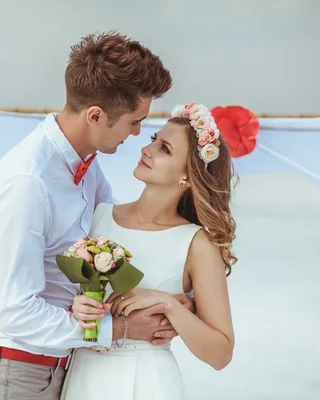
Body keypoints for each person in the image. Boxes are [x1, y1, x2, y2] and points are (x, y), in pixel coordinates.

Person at [0, 32, 190, 400]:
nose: (137, 135)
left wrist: (179, 303)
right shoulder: (28, 183)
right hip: (12, 376)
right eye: (135, 122)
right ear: (96, 116)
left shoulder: (85, 166)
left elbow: (117, 248)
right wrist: (118, 329)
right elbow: (14, 311)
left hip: (63, 368)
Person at [62, 103, 237, 400]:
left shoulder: (197, 245)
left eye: (165, 149)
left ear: (187, 178)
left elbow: (220, 354)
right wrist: (76, 308)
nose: (147, 149)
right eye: (154, 138)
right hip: (83, 375)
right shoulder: (98, 215)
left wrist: (169, 304)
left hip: (147, 383)